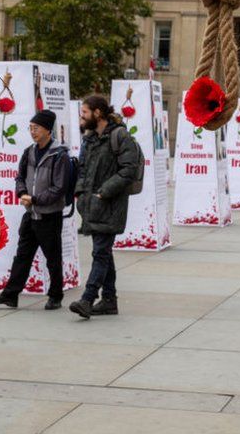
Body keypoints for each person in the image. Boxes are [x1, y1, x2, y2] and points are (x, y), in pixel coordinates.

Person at [0, 110, 69, 310]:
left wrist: (34, 199)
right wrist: (22, 193)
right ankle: (10, 295)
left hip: (49, 215)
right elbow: (20, 177)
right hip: (31, 214)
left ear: (48, 130)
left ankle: (56, 296)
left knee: (53, 258)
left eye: (37, 128)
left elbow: (59, 188)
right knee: (23, 255)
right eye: (31, 128)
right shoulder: (29, 152)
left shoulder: (59, 155)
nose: (33, 132)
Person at [69, 96, 141, 319]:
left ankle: (88, 299)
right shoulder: (89, 139)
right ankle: (109, 300)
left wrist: (104, 192)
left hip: (111, 204)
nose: (82, 117)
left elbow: (129, 169)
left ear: (98, 113)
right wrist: (80, 194)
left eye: (85, 113)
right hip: (91, 204)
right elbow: (82, 169)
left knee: (100, 252)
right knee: (104, 252)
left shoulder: (120, 136)